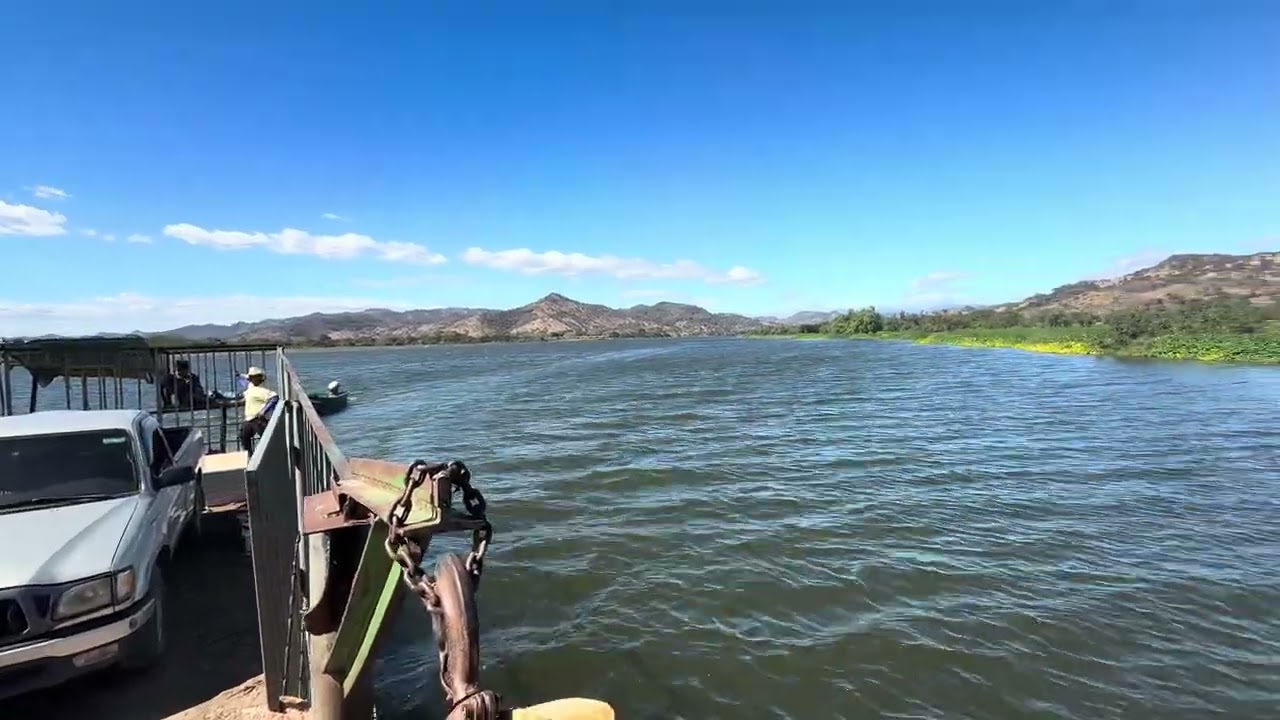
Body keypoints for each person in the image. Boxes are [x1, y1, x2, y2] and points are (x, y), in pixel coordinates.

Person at [238, 366, 278, 453]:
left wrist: (264, 411)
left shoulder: (262, 389)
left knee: (265, 440)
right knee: (244, 438)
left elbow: (274, 397)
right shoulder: (250, 387)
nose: (251, 379)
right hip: (248, 418)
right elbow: (244, 381)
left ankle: (265, 455)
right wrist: (239, 376)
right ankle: (250, 456)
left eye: (253, 377)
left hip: (258, 419)